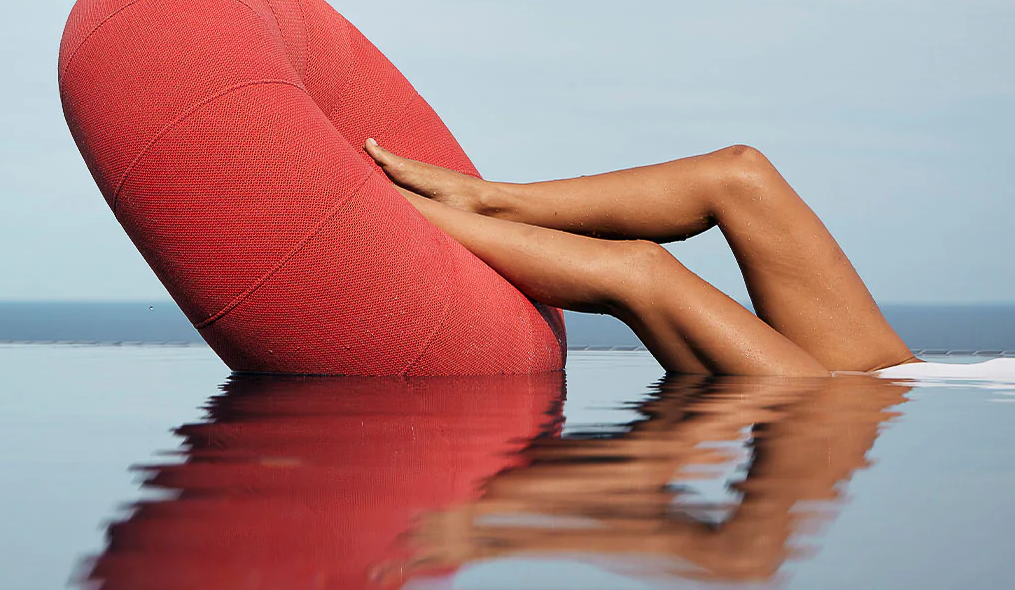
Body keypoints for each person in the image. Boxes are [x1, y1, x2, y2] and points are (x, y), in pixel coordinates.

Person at [364, 139, 921, 378]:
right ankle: (490, 199)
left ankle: (391, 205)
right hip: (904, 381)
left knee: (642, 272)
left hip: (843, 410)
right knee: (740, 173)